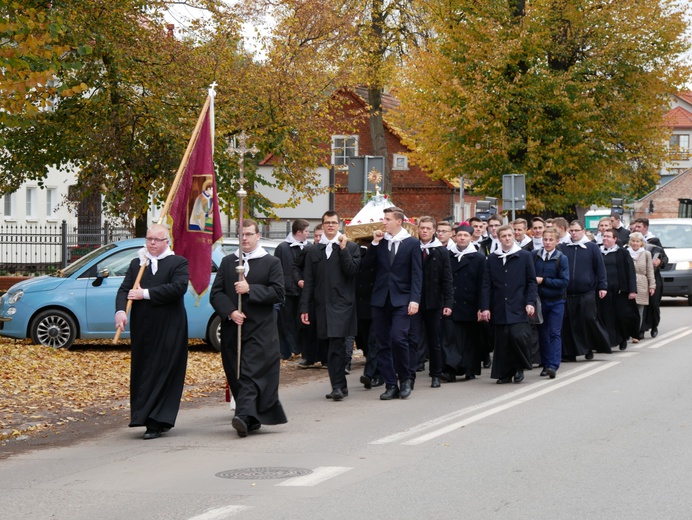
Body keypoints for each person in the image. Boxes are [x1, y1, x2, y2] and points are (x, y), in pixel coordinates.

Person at [210, 219, 287, 437]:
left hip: (261, 330)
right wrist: (230, 312)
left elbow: (278, 293)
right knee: (235, 372)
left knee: (250, 372)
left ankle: (242, 416)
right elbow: (216, 293)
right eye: (241, 234)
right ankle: (252, 418)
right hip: (234, 328)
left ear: (258, 236)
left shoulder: (271, 262)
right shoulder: (227, 262)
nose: (245, 238)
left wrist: (250, 288)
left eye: (249, 234)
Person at [115, 224, 189, 440]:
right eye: (149, 239)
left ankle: (159, 420)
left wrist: (145, 294)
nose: (152, 243)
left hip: (169, 327)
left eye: (157, 240)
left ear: (167, 242)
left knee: (164, 370)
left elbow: (178, 288)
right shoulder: (138, 264)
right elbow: (124, 289)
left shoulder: (178, 262)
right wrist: (120, 311)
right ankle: (144, 416)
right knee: (144, 370)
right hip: (144, 328)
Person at [300, 211, 361, 401]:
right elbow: (308, 281)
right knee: (329, 347)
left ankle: (337, 387)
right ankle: (340, 385)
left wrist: (343, 250)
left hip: (342, 305)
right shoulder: (313, 251)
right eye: (327, 223)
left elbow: (352, 271)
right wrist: (305, 308)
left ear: (339, 225)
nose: (331, 226)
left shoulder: (351, 247)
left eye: (334, 223)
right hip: (321, 306)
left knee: (337, 344)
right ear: (323, 225)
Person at [363, 206, 422, 400]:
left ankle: (405, 379)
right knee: (382, 344)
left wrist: (414, 299)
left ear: (399, 221)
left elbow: (416, 273)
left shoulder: (411, 243)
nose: (384, 222)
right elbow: (367, 266)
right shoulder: (380, 242)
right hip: (380, 299)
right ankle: (390, 384)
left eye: (388, 219)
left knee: (398, 338)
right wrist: (374, 243)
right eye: (384, 218)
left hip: (402, 299)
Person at [480, 225, 537, 384]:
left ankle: (519, 367)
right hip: (499, 305)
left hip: (519, 303)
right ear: (498, 238)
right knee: (503, 340)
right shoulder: (492, 258)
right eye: (503, 236)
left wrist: (530, 302)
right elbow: (486, 284)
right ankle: (504, 373)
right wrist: (485, 307)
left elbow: (531, 282)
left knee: (517, 336)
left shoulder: (524, 256)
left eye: (509, 235)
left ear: (514, 236)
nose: (507, 238)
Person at [408, 216, 453, 387]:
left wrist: (448, 303)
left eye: (428, 228)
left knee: (434, 340)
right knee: (413, 338)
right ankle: (410, 375)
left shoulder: (440, 251)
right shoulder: (413, 247)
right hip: (415, 301)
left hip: (434, 302)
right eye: (422, 228)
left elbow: (447, 279)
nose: (424, 231)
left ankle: (435, 373)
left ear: (434, 231)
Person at [559, 220, 611, 360]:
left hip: (586, 291)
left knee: (587, 319)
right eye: (572, 231)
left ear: (583, 230)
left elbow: (600, 268)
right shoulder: (563, 247)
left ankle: (589, 347)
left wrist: (602, 286)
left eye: (576, 230)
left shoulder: (592, 247)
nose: (574, 233)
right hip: (568, 292)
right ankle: (570, 352)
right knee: (569, 323)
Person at [446, 223, 486, 381]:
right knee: (451, 338)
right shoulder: (448, 255)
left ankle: (470, 368)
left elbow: (483, 284)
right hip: (452, 303)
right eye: (459, 235)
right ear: (454, 237)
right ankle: (451, 368)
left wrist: (482, 306)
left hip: (471, 304)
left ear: (471, 237)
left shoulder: (478, 258)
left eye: (465, 235)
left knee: (471, 339)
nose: (462, 238)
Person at [533, 227, 569, 378]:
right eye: (545, 240)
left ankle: (553, 365)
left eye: (551, 240)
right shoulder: (535, 256)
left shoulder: (561, 258)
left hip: (556, 301)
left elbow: (564, 281)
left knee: (554, 333)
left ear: (557, 241)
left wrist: (544, 281)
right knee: (542, 334)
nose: (547, 243)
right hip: (540, 301)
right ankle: (545, 363)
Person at [597, 229, 638, 350]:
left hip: (619, 291)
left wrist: (632, 290)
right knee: (604, 316)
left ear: (615, 239)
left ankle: (622, 338)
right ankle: (606, 341)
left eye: (608, 236)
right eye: (604, 236)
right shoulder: (598, 252)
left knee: (620, 315)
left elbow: (630, 272)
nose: (605, 239)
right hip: (602, 290)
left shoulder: (623, 253)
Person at [275, 219, 310, 361]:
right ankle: (288, 350)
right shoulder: (282, 248)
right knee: (286, 322)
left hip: (302, 291)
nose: (308, 234)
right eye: (306, 231)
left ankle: (300, 348)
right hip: (288, 291)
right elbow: (277, 269)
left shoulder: (308, 247)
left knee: (299, 322)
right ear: (299, 232)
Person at [633, 217, 667, 338]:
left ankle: (654, 325)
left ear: (645, 228)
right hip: (639, 278)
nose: (636, 229)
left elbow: (664, 258)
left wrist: (660, 262)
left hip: (653, 276)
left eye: (639, 227)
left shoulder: (654, 241)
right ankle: (641, 329)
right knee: (641, 303)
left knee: (653, 303)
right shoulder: (633, 242)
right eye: (635, 227)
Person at [627, 231, 656, 343]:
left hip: (642, 283)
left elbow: (650, 270)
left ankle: (636, 334)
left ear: (641, 243)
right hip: (629, 283)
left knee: (640, 310)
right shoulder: (626, 252)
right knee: (628, 310)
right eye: (633, 241)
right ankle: (627, 332)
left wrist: (652, 285)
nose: (635, 243)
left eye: (638, 241)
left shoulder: (646, 254)